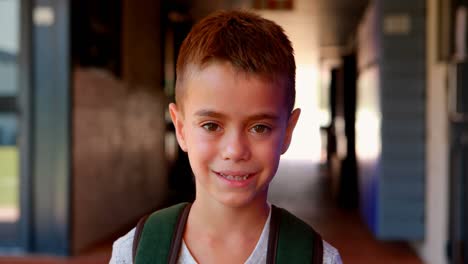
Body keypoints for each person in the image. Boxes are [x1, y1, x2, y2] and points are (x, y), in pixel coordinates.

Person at [110, 10, 342, 264]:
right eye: (211, 126)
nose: (235, 150)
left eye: (260, 127)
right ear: (181, 128)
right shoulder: (134, 253)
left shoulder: (318, 258)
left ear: (288, 131)